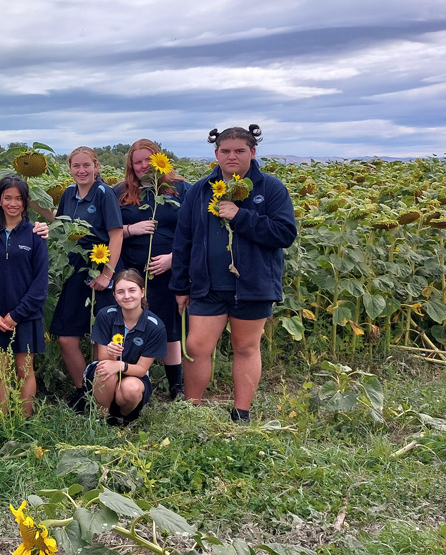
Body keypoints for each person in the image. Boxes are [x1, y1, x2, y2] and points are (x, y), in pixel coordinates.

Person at [170, 125, 297, 423]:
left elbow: (284, 233)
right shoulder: (200, 190)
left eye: (239, 151)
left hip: (253, 284)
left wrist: (240, 216)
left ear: (252, 153)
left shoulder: (270, 189)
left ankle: (242, 413)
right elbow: (183, 238)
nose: (232, 157)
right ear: (216, 154)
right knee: (196, 347)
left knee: (245, 347)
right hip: (207, 284)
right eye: (225, 151)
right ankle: (193, 410)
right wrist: (180, 285)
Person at [48, 146, 124, 412]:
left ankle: (101, 396)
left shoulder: (104, 194)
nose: (81, 171)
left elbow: (116, 235)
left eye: (86, 166)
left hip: (102, 264)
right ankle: (84, 390)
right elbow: (60, 226)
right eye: (76, 166)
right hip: (76, 268)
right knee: (66, 336)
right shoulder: (69, 194)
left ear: (96, 166)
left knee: (100, 338)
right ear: (69, 168)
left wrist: (107, 274)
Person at [114, 139, 190, 400]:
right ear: (131, 166)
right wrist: (129, 230)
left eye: (150, 160)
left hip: (168, 270)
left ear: (160, 160)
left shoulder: (180, 190)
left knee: (169, 327)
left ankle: (176, 386)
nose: (145, 166)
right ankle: (129, 379)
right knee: (132, 324)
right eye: (138, 162)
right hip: (131, 271)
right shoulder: (120, 193)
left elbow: (192, 232)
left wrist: (173, 258)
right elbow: (106, 230)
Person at [0, 176, 49, 419]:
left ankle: (24, 423)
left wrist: (16, 315)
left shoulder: (35, 236)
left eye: (19, 198)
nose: (13, 203)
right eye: (8, 198)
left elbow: (40, 285)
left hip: (25, 316)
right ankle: (4, 424)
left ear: (26, 203)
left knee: (25, 370)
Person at [85, 269, 166, 426]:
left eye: (132, 290)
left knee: (131, 389)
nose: (127, 296)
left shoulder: (155, 326)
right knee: (105, 371)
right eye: (120, 292)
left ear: (142, 292)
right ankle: (101, 419)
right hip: (105, 370)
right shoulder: (105, 315)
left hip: (135, 374)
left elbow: (142, 369)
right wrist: (110, 353)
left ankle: (122, 418)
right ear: (114, 295)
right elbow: (102, 358)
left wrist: (120, 365)